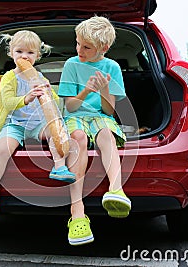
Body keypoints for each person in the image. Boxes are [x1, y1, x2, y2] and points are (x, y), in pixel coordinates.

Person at [0, 30, 75, 215]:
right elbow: (7, 103)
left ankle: (59, 166)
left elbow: (55, 104)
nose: (25, 56)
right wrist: (27, 97)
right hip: (15, 124)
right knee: (2, 150)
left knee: (58, 130)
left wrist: (49, 91)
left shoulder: (40, 78)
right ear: (11, 53)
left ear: (38, 56)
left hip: (38, 123)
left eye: (30, 53)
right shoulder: (9, 77)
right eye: (19, 52)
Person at [58, 16, 132, 246]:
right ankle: (77, 212)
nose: (79, 49)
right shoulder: (71, 64)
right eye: (78, 43)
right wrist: (84, 91)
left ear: (104, 48)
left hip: (100, 117)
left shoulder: (112, 67)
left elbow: (109, 111)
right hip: (75, 117)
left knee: (106, 134)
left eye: (86, 47)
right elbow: (69, 106)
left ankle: (116, 190)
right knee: (77, 138)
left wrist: (103, 89)